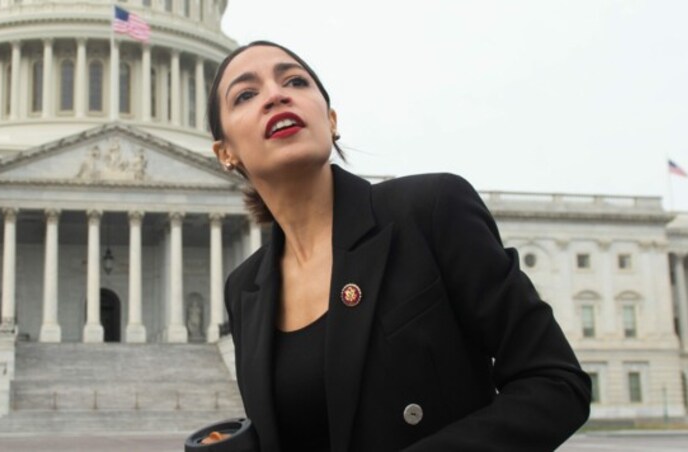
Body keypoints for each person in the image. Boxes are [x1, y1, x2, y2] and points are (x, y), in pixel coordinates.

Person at [209, 40, 591, 452]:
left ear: (331, 119)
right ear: (225, 153)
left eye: (295, 81)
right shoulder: (245, 288)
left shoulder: (431, 210)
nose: (275, 94)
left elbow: (556, 382)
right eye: (246, 94)